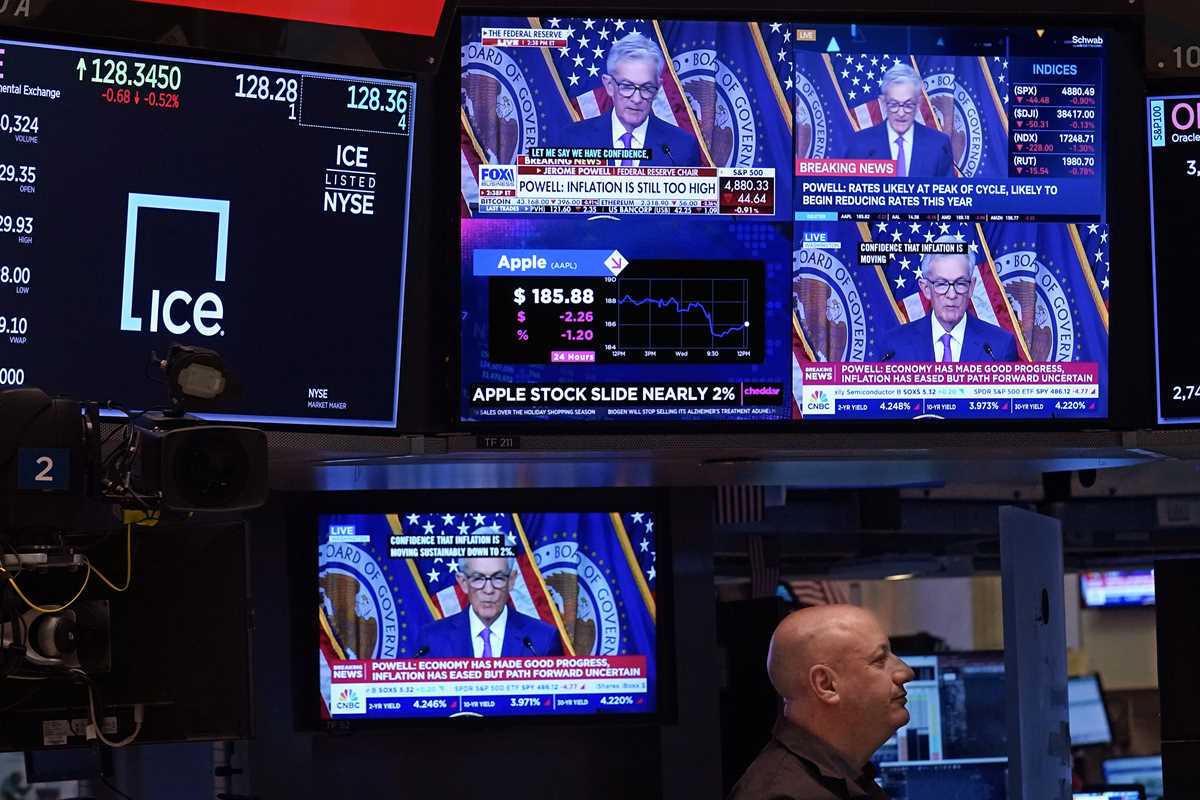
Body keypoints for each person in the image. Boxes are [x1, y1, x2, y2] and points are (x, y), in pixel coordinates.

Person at [728, 605, 914, 800]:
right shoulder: (782, 795)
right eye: (879, 660)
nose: (906, 672)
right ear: (826, 684)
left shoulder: (846, 776)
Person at [555, 32, 701, 167]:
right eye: (627, 86)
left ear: (657, 88)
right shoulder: (573, 140)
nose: (636, 99)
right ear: (609, 85)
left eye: (647, 88)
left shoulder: (682, 146)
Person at [882, 240, 1020, 362]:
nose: (952, 295)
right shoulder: (895, 347)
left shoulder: (1000, 346)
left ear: (971, 287)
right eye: (942, 284)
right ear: (926, 289)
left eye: (960, 283)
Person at [414, 547, 562, 658]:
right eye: (478, 578)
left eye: (498, 578)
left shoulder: (542, 640)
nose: (489, 590)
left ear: (511, 581)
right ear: (463, 582)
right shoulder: (432, 640)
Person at [842, 63, 953, 178]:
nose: (901, 113)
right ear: (884, 103)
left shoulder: (938, 144)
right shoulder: (860, 144)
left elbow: (946, 189)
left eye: (908, 105)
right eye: (894, 104)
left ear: (918, 103)